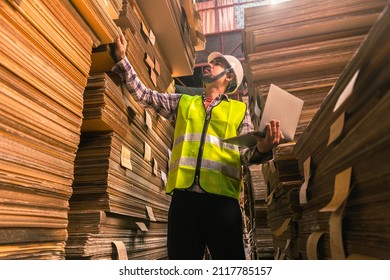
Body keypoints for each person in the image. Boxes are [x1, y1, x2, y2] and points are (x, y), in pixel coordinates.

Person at [112, 29, 283, 260]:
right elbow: (145, 96)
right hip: (184, 202)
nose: (208, 66)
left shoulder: (239, 111)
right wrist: (123, 60)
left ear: (229, 76)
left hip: (222, 204)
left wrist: (263, 148)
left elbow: (244, 155)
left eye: (218, 64)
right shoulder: (183, 102)